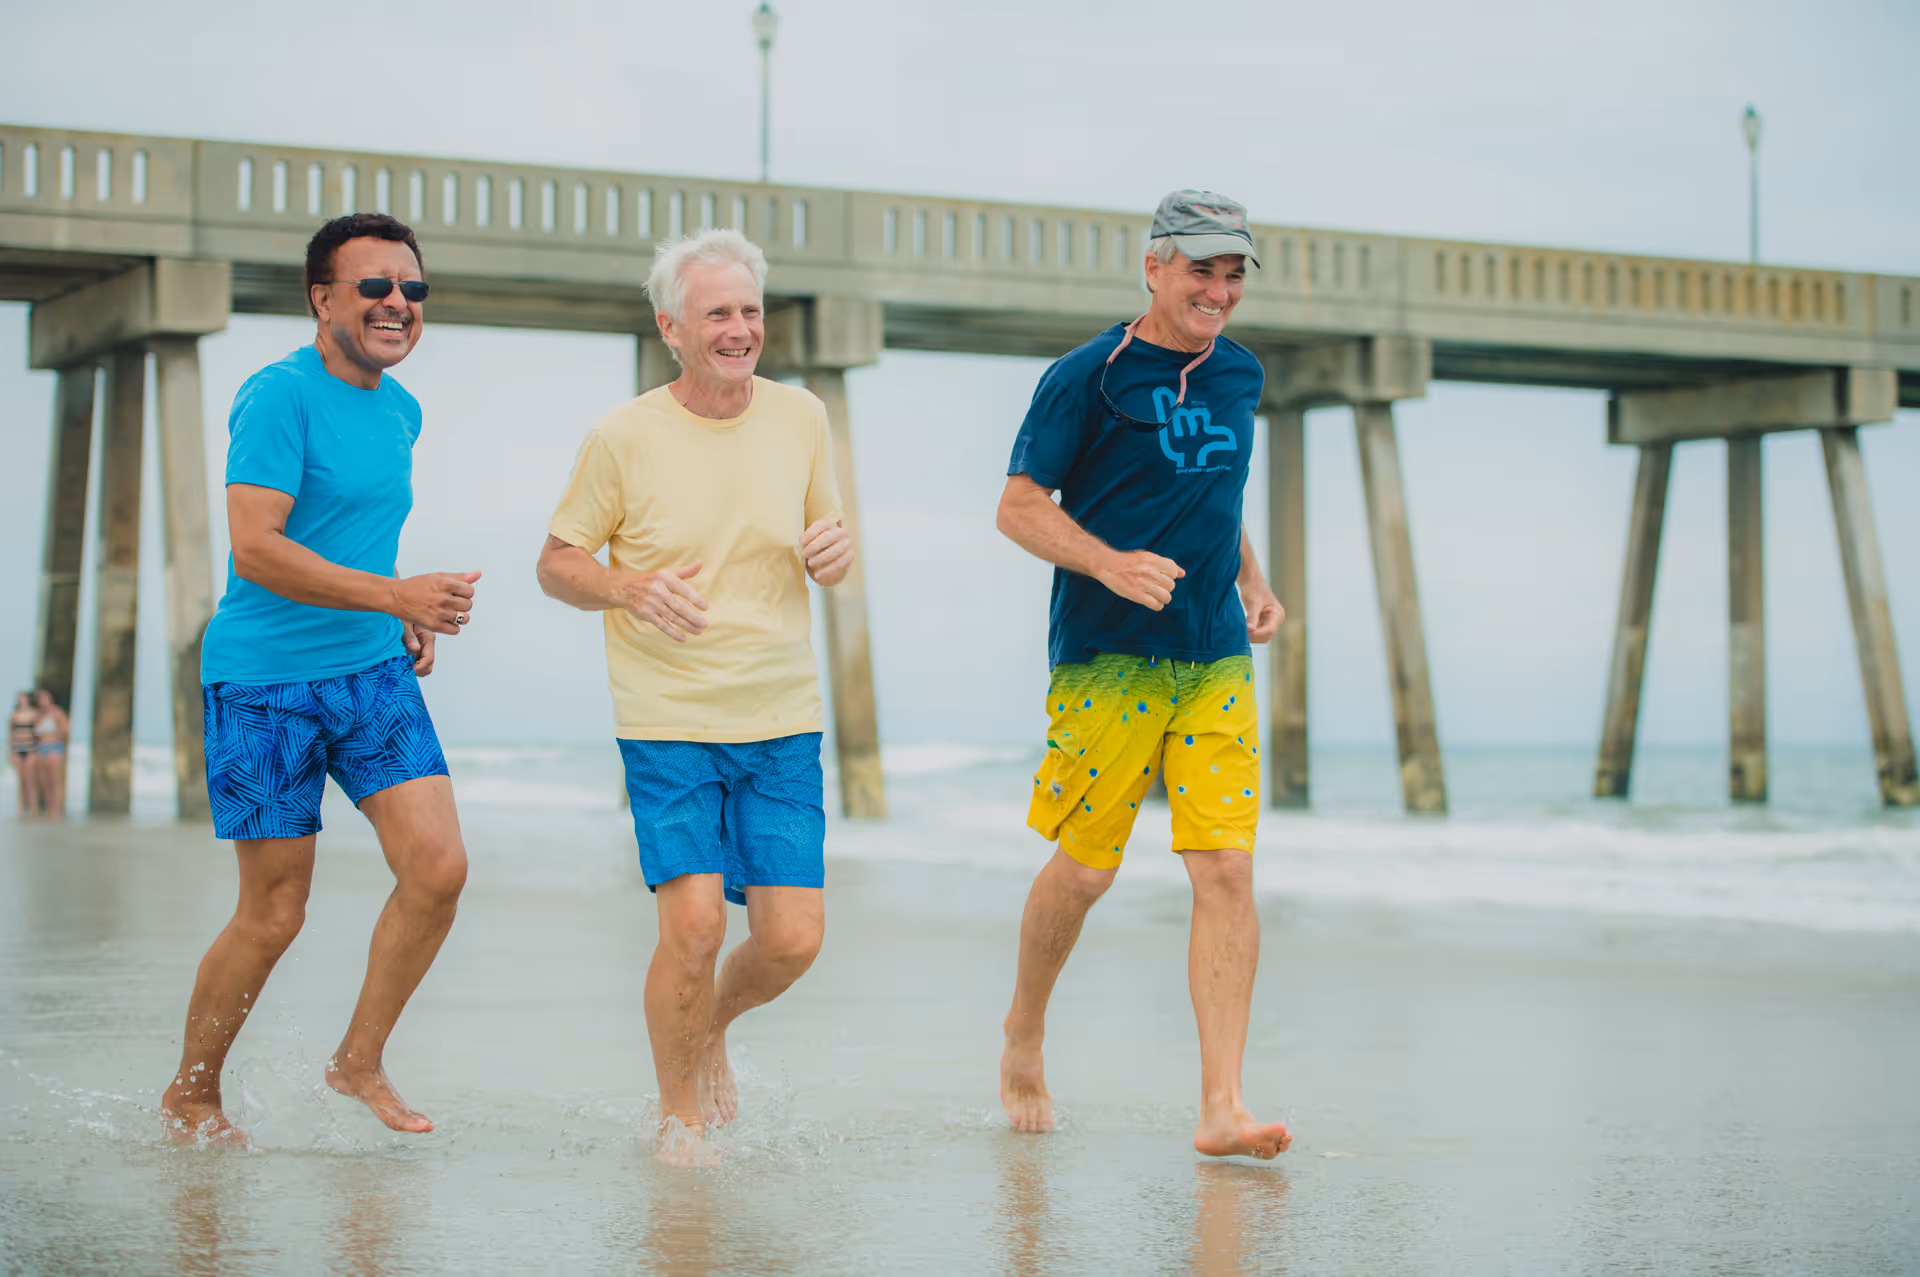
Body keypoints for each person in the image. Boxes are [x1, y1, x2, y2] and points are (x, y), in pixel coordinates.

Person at [159, 213, 478, 1144]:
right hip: (264, 683)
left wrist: (398, 612)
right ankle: (193, 1090)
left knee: (439, 868)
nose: (396, 304)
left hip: (369, 671)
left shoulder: (402, 410)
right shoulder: (277, 397)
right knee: (274, 911)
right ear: (322, 297)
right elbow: (256, 549)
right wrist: (394, 593)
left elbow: (353, 535)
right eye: (374, 286)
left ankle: (358, 1060)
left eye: (411, 289)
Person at [537, 227, 853, 1165]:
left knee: (792, 938)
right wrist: (629, 586)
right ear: (671, 327)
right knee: (697, 922)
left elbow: (826, 538)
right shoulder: (622, 435)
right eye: (718, 312)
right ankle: (679, 1119)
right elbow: (556, 563)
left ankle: (705, 1025)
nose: (740, 328)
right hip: (668, 716)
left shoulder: (802, 418)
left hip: (782, 713)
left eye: (751, 311)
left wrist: (834, 555)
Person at [995, 189, 1292, 1160]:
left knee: (1229, 867)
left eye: (1233, 272)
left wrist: (1253, 579)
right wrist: (1107, 560)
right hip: (1107, 654)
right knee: (1086, 869)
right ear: (1155, 265)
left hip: (1213, 653)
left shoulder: (1240, 373)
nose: (1219, 289)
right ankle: (1024, 1031)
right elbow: (1018, 505)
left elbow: (1213, 490)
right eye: (1202, 268)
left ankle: (1221, 1104)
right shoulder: (1089, 376)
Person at [31, 689, 69, 819]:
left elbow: (66, 729)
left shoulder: (57, 713)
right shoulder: (38, 716)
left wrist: (52, 734)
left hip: (54, 748)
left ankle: (56, 810)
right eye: (41, 700)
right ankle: (48, 808)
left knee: (55, 780)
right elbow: (34, 734)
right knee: (44, 781)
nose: (43, 702)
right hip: (42, 748)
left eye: (45, 699)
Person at [9, 692, 40, 818]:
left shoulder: (33, 714)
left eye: (24, 699)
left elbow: (38, 733)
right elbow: (11, 735)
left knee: (30, 780)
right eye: (20, 699)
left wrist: (37, 750)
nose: (22, 701)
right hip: (18, 749)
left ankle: (34, 809)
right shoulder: (14, 716)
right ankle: (21, 809)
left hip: (30, 749)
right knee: (21, 781)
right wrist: (11, 753)